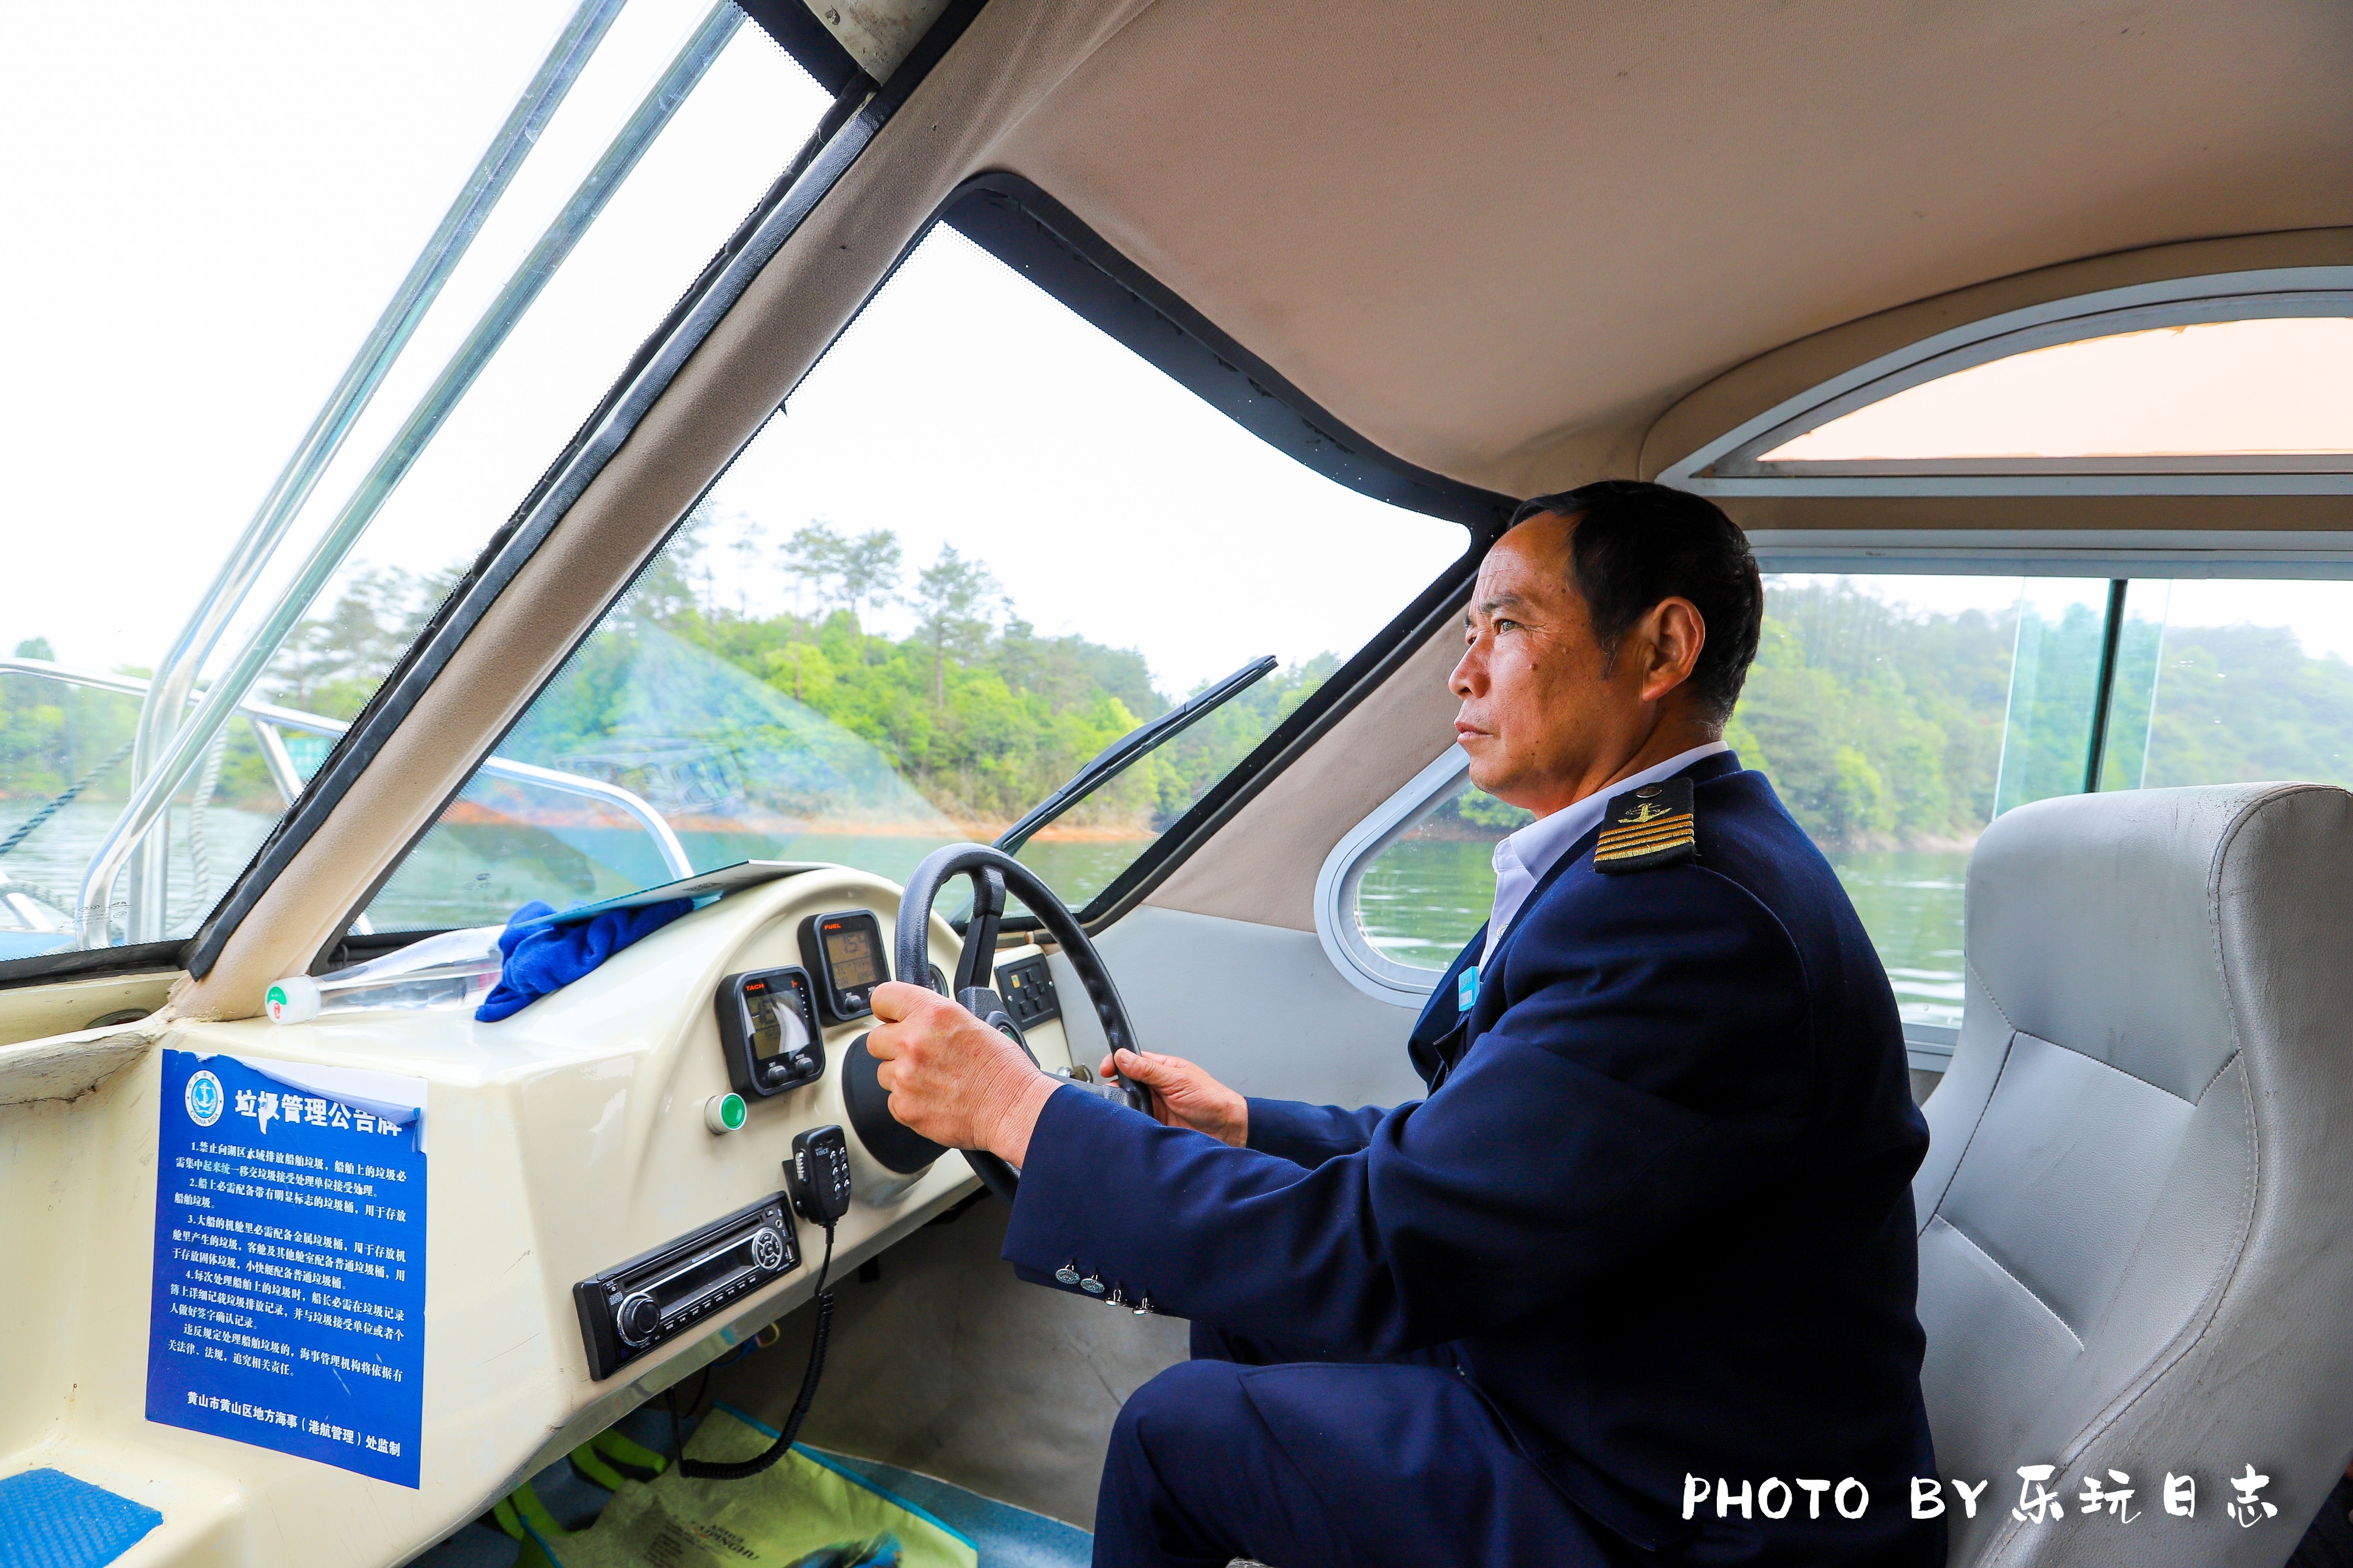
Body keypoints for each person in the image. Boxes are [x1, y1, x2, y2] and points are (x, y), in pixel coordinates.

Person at [865, 479, 1939, 1567]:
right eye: (1469, 631)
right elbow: (1496, 1158)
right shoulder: (1646, 861)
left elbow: (1390, 1248)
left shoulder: (1684, 918)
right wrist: (1252, 1128)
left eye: (1508, 627)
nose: (1462, 671)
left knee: (1175, 1432)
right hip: (1626, 1381)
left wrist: (1013, 1108)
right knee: (1251, 1329)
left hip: (1674, 1510)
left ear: (1661, 650)